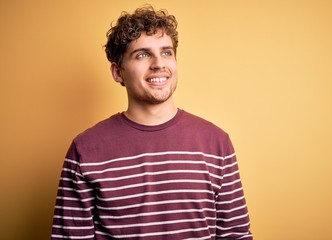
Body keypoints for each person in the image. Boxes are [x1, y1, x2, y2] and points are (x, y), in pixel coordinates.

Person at [51, 5, 252, 240]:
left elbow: (235, 235)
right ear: (118, 72)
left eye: (166, 52)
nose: (159, 63)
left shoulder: (216, 143)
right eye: (142, 54)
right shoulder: (85, 150)